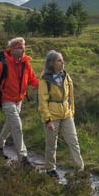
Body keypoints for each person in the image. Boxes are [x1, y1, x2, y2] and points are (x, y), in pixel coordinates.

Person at [38, 50, 84, 178]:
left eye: (62, 60)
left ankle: (80, 170)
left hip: (67, 114)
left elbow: (71, 97)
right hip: (52, 116)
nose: (62, 62)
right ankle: (50, 169)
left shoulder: (66, 76)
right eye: (59, 60)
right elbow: (42, 102)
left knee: (73, 142)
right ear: (51, 63)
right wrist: (48, 120)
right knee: (52, 144)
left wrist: (72, 111)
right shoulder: (44, 80)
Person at [0, 37, 39, 164]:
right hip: (6, 100)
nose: (22, 49)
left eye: (23, 46)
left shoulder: (26, 63)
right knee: (17, 126)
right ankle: (23, 158)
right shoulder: (3, 64)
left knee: (9, 125)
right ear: (11, 49)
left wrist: (46, 86)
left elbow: (32, 80)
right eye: (18, 47)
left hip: (19, 100)